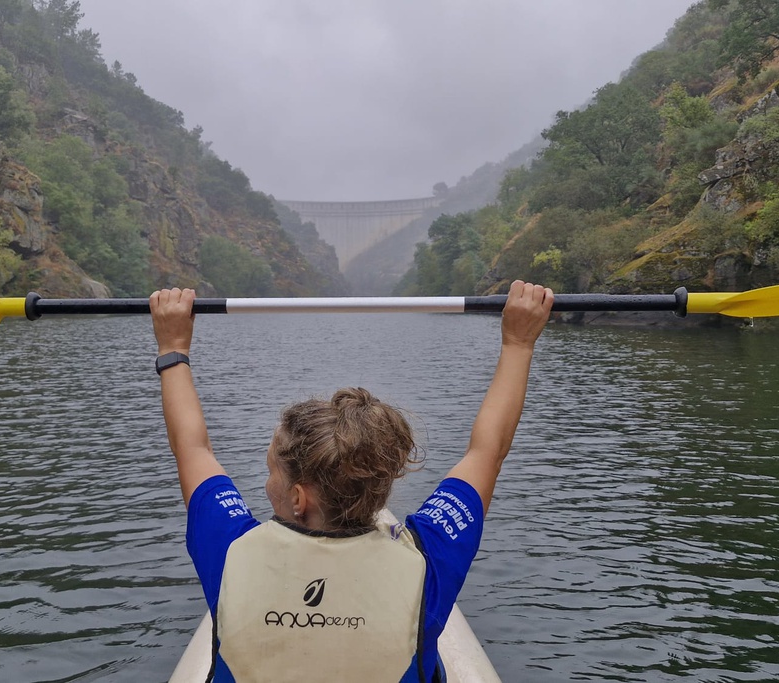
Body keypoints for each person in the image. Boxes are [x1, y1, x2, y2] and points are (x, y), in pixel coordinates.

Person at [150, 280, 554, 682]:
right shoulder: (429, 558)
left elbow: (193, 449)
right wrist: (518, 343)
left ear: (298, 497)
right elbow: (487, 452)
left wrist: (173, 349)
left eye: (272, 469)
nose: (266, 480)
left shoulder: (228, 551)